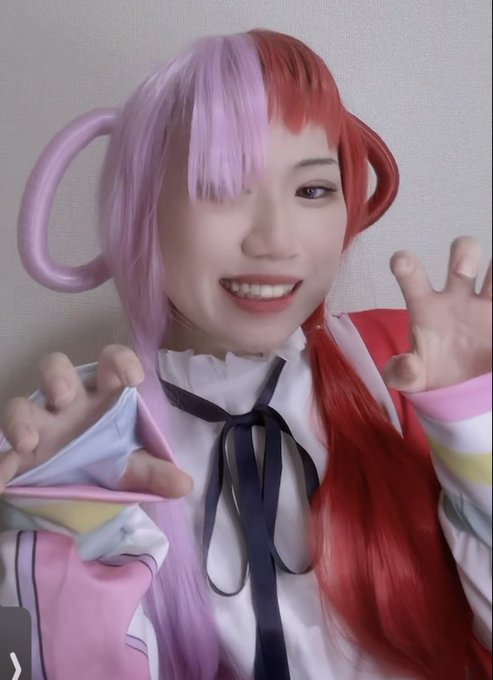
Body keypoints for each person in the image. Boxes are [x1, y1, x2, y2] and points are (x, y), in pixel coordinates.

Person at [0, 29, 491, 680]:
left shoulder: (411, 367)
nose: (275, 240)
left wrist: (472, 427)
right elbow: (28, 663)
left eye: (312, 190)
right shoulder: (78, 430)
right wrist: (64, 521)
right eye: (220, 186)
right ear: (142, 206)